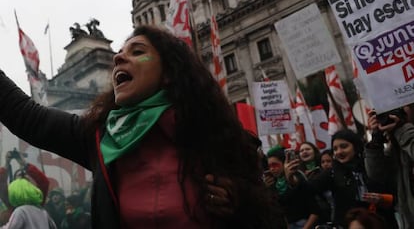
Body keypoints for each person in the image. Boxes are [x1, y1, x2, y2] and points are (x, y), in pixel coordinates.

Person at [0, 25, 280, 228]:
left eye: (138, 51)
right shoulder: (101, 137)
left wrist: (239, 205)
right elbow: (28, 117)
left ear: (170, 72)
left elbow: (272, 218)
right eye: (119, 54)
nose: (118, 58)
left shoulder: (217, 138)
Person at [304, 129, 397, 228]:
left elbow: (397, 196)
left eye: (344, 146)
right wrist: (293, 179)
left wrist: (383, 199)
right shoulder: (332, 172)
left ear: (355, 146)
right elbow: (308, 190)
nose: (339, 152)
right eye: (335, 149)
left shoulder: (372, 165)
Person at [366, 105, 414, 228]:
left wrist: (402, 128)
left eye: (402, 107)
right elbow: (377, 174)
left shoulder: (403, 134)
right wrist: (376, 139)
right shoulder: (398, 145)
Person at [264, 146, 318, 229]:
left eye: (275, 165)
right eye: (269, 166)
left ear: (285, 163)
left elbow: (315, 211)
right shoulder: (273, 183)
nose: (272, 169)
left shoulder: (298, 178)